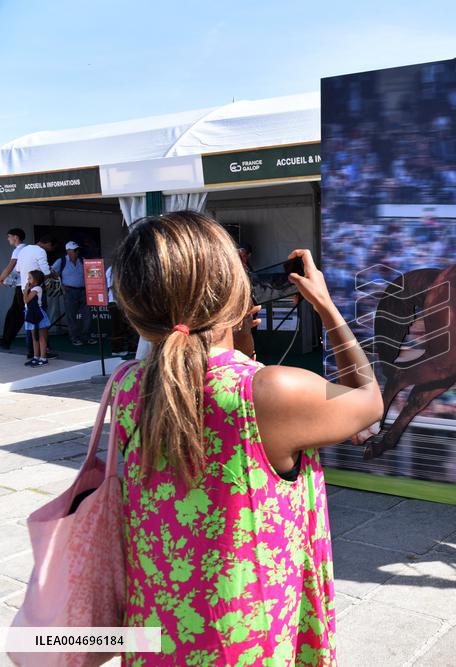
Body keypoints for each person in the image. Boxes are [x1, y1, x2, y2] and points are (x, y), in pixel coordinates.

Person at [109, 211, 382, 665]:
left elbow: (204, 394)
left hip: (159, 628)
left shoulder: (125, 385)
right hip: (245, 635)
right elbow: (368, 399)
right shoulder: (270, 392)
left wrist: (237, 339)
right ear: (234, 289)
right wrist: (327, 306)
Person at [14, 235, 57, 360]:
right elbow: (45, 270)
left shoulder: (23, 250)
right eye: (51, 247)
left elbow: (18, 270)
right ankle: (43, 354)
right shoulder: (40, 251)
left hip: (25, 288)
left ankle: (33, 353)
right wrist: (49, 276)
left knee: (31, 323)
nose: (50, 249)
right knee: (40, 328)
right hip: (36, 288)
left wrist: (27, 284)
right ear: (47, 243)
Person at [52, 241, 96, 346]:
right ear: (68, 251)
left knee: (88, 314)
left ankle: (86, 336)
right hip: (69, 291)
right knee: (71, 316)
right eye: (75, 250)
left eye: (77, 250)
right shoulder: (61, 261)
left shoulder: (83, 260)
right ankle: (75, 337)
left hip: (83, 290)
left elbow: (92, 273)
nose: (77, 252)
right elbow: (51, 272)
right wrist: (60, 284)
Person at [0, 228, 27, 349]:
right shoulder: (26, 249)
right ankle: (6, 340)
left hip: (23, 287)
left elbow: (11, 266)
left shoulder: (18, 250)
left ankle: (7, 340)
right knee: (15, 313)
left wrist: (1, 278)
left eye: (9, 236)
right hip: (22, 285)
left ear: (15, 237)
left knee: (18, 313)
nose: (8, 239)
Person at [22, 269, 50, 368]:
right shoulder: (31, 289)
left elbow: (26, 300)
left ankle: (43, 358)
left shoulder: (37, 288)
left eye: (30, 278)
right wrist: (26, 290)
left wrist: (25, 291)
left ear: (36, 280)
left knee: (41, 337)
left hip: (37, 314)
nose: (27, 279)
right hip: (30, 313)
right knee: (34, 337)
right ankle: (36, 357)